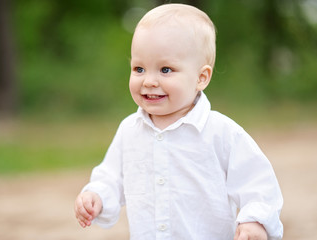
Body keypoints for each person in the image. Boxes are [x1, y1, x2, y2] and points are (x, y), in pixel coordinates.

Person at [74, 3, 283, 240]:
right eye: (139, 68)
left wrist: (255, 220)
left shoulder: (221, 133)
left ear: (201, 77)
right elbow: (111, 177)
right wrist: (97, 195)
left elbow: (256, 182)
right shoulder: (129, 131)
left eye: (165, 69)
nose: (149, 81)